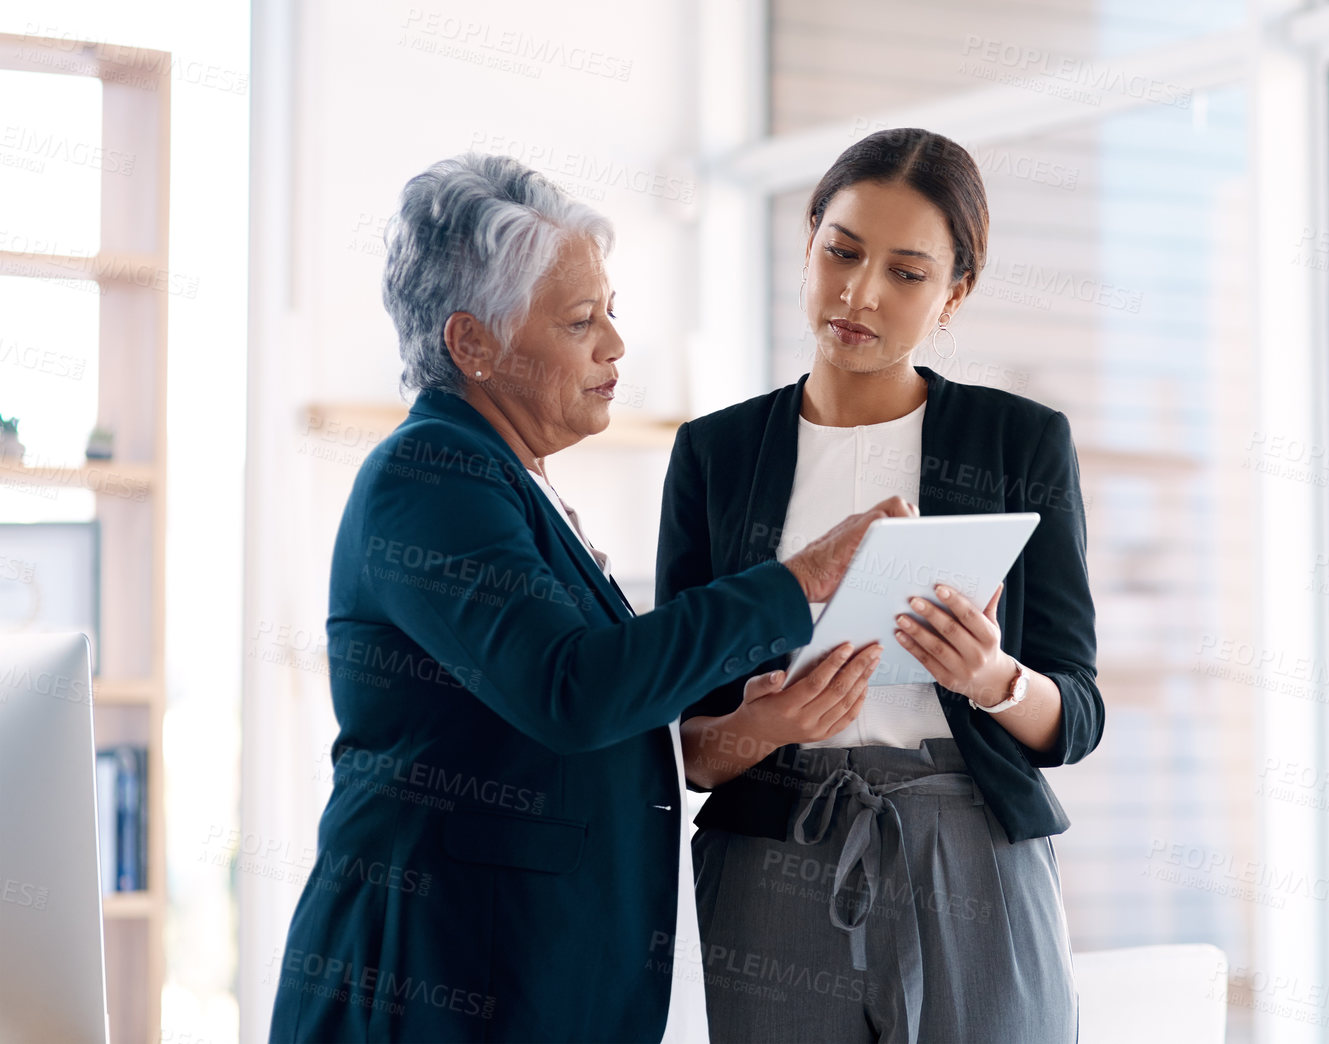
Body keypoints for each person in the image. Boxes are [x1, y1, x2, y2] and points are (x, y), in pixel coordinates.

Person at [268, 153, 905, 1043]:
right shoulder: (432, 477)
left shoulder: (509, 481)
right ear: (472, 345)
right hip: (433, 983)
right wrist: (799, 582)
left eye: (611, 312)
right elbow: (571, 687)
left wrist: (749, 729)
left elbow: (581, 715)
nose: (613, 344)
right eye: (579, 321)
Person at [660, 128, 1104, 1043]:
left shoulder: (1018, 443)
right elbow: (678, 739)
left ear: (955, 294)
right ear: (809, 242)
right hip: (769, 854)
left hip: (970, 849)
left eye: (907, 272)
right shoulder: (715, 455)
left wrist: (993, 681)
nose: (859, 294)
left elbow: (1077, 715)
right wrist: (763, 727)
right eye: (842, 252)